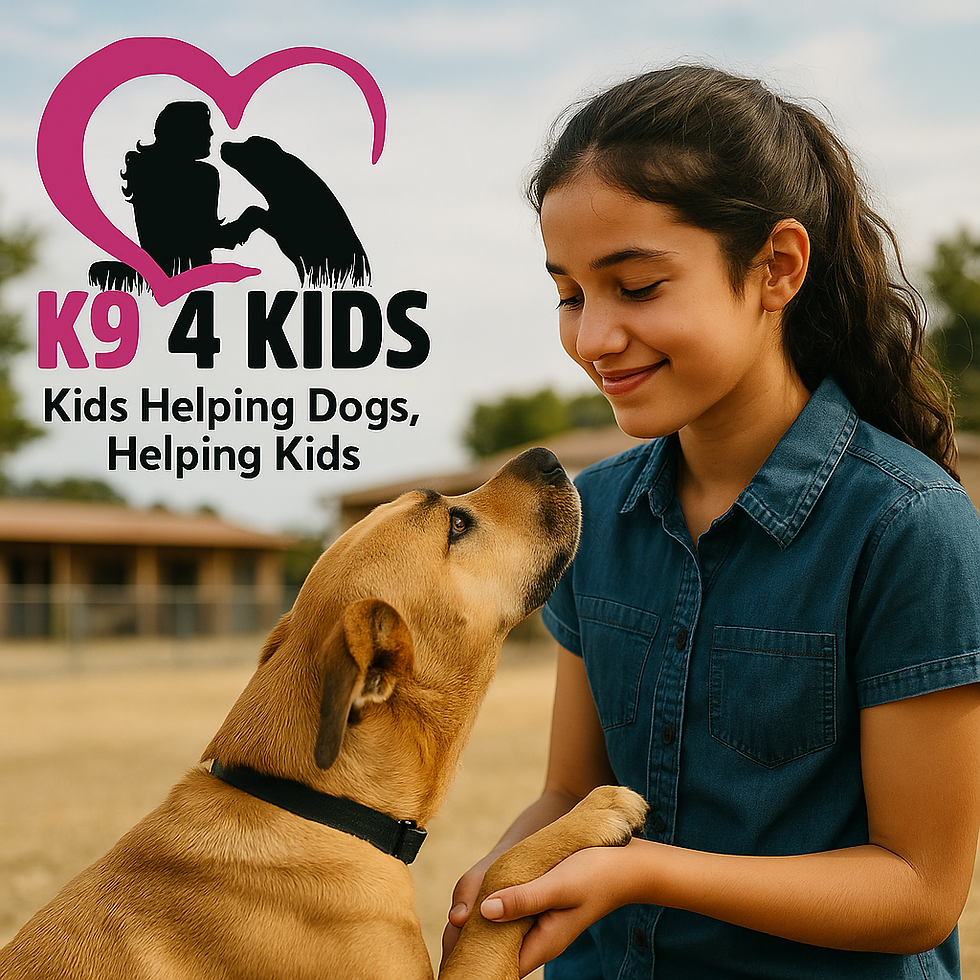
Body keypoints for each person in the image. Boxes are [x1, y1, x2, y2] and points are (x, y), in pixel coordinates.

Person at [442, 65, 980, 979]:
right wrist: (502, 883)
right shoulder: (595, 513)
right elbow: (572, 792)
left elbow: (918, 892)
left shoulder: (909, 528)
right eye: (569, 294)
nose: (592, 338)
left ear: (777, 268)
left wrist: (651, 875)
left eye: (639, 286)